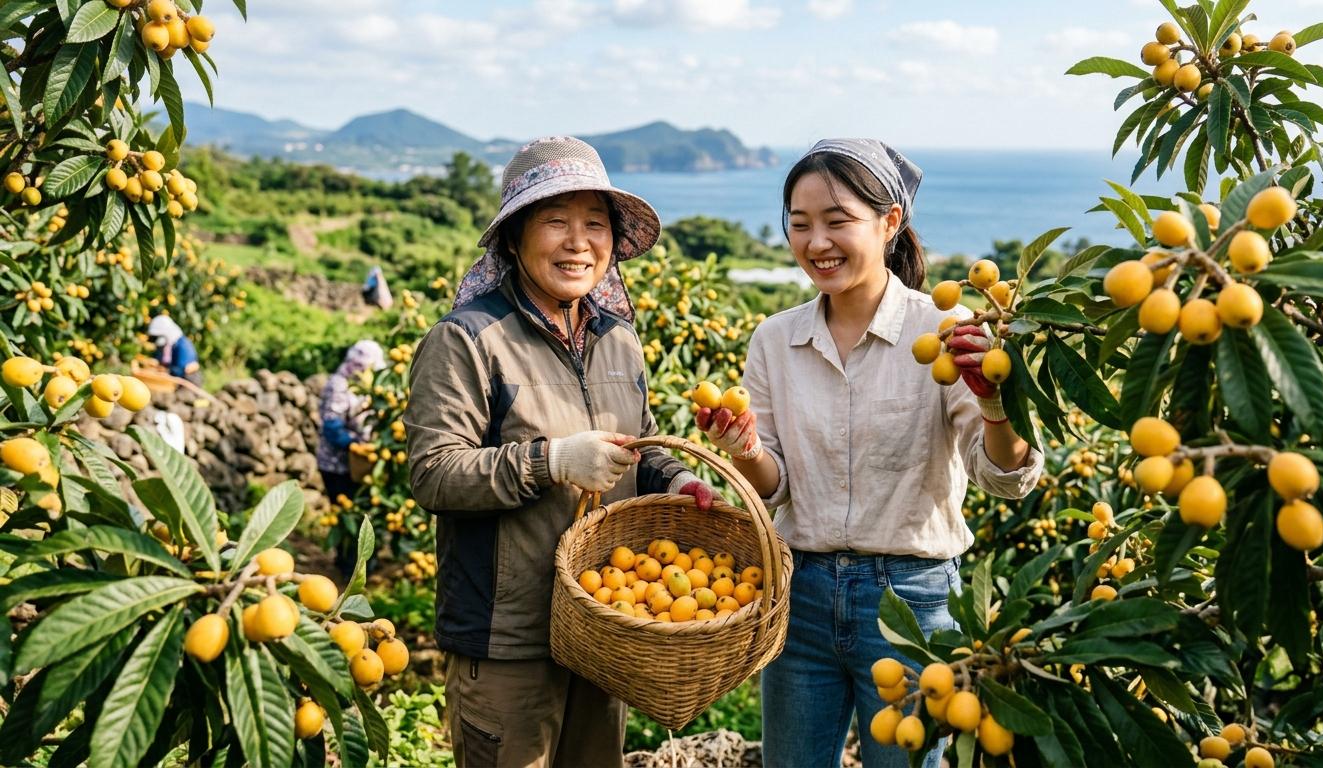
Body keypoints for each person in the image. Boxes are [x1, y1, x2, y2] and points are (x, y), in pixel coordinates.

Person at [694, 139, 1045, 768]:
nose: (816, 242)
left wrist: (997, 403)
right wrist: (741, 448)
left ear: (889, 223)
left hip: (914, 601)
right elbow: (772, 487)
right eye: (799, 225)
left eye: (837, 221)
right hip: (797, 595)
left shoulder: (947, 331)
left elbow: (1005, 478)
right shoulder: (775, 340)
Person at [404, 136, 715, 768]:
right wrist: (550, 461)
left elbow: (639, 443)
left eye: (594, 224)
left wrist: (676, 479)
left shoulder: (618, 339)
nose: (579, 242)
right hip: (507, 641)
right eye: (556, 221)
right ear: (515, 237)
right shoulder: (467, 341)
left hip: (606, 621)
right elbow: (434, 475)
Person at [316, 339, 386, 574]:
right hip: (337, 464)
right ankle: (347, 565)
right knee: (347, 514)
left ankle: (363, 562)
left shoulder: (370, 387)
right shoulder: (339, 384)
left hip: (363, 463)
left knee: (364, 513)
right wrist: (355, 444)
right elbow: (331, 425)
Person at [147, 315, 202, 386]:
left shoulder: (183, 345)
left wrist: (166, 370)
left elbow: (181, 370)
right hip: (174, 380)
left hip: (187, 381)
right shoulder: (168, 345)